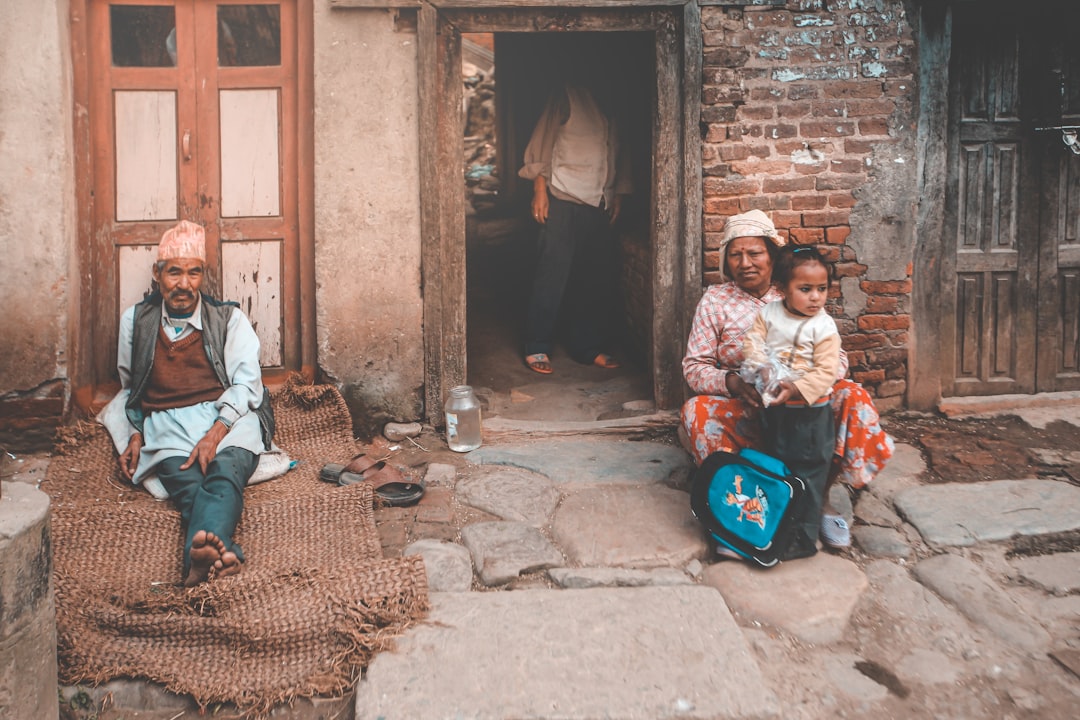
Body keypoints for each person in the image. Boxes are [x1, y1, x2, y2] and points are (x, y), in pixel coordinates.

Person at [681, 209, 894, 550]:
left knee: (852, 396)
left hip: (802, 407)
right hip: (748, 404)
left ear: (772, 255)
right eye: (735, 255)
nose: (745, 263)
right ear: (725, 260)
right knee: (696, 411)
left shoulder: (795, 290)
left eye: (755, 253)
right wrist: (733, 383)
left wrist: (801, 385)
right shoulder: (715, 301)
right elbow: (695, 367)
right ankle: (746, 506)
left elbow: (837, 359)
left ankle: (817, 499)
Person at [105, 220, 275, 586]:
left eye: (194, 273)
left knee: (225, 474)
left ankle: (195, 567)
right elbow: (131, 387)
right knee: (189, 487)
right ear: (158, 273)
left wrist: (216, 433)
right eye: (175, 273)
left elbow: (247, 385)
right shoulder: (136, 321)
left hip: (227, 416)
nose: (184, 284)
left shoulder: (229, 319)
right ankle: (221, 553)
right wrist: (134, 433)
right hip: (167, 423)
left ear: (203, 275)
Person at [518, 77, 631, 375]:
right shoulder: (567, 96)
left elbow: (622, 154)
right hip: (563, 199)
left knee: (594, 278)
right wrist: (539, 192)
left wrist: (618, 193)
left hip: (599, 204)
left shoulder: (617, 102)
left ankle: (587, 346)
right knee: (551, 275)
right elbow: (541, 146)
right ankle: (537, 344)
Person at [740, 245, 841, 559]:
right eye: (805, 289)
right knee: (778, 468)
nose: (815, 297)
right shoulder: (770, 313)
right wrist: (763, 367)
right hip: (777, 412)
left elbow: (827, 371)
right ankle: (775, 530)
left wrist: (796, 388)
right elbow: (753, 343)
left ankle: (802, 539)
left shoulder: (824, 328)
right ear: (782, 289)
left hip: (810, 416)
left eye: (821, 289)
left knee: (808, 474)